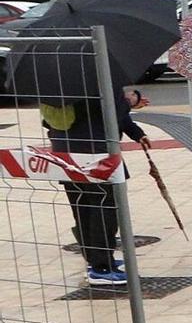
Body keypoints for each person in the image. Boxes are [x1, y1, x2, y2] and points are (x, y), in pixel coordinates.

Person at [42, 85, 149, 287]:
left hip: (64, 152)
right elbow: (114, 112)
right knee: (104, 208)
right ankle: (102, 267)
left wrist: (136, 132)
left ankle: (95, 261)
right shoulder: (98, 76)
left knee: (82, 207)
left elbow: (47, 121)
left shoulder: (56, 80)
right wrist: (129, 101)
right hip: (96, 154)